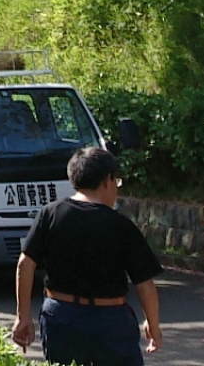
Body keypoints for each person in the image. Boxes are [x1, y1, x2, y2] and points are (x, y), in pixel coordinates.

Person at [12, 147, 164, 365]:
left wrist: (22, 316)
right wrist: (153, 324)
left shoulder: (51, 214)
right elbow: (144, 284)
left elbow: (25, 265)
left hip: (61, 316)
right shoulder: (121, 226)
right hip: (111, 320)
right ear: (107, 180)